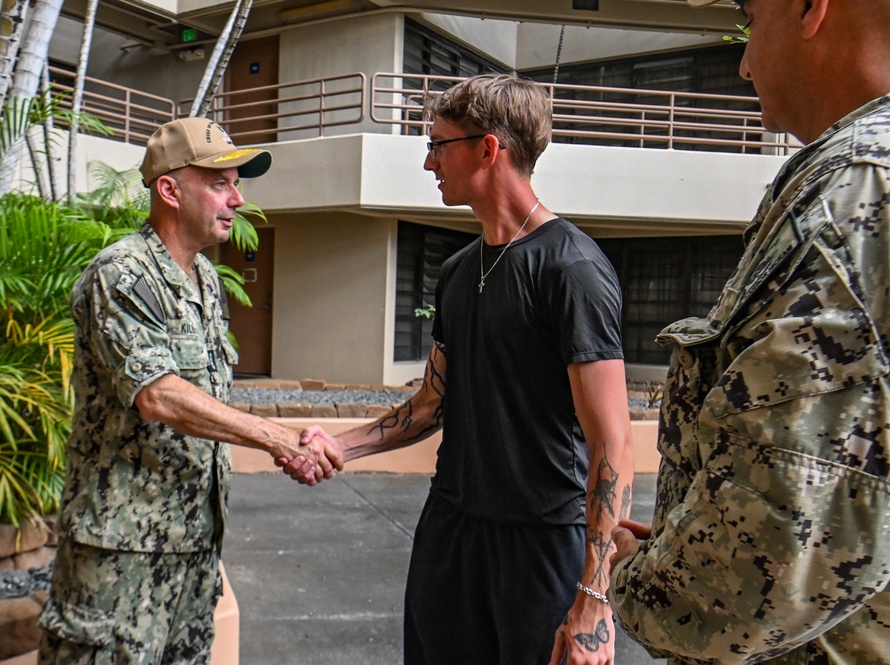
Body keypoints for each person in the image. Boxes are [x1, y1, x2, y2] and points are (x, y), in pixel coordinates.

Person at [609, 0, 890, 663]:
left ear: (811, 8)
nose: (743, 61)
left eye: (753, 17)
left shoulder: (874, 187)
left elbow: (784, 550)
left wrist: (644, 582)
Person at [283, 74, 634, 665]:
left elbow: (612, 443)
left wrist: (595, 598)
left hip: (542, 544)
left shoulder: (572, 269)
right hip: (451, 533)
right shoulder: (456, 271)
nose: (428, 163)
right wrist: (337, 445)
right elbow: (430, 405)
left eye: (438, 145)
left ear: (488, 149)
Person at [38, 117, 333, 664]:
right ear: (170, 190)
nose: (238, 199)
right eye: (220, 183)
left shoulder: (204, 282)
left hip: (192, 548)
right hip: (120, 556)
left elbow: (205, 402)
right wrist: (280, 439)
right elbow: (160, 395)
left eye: (237, 183)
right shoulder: (123, 274)